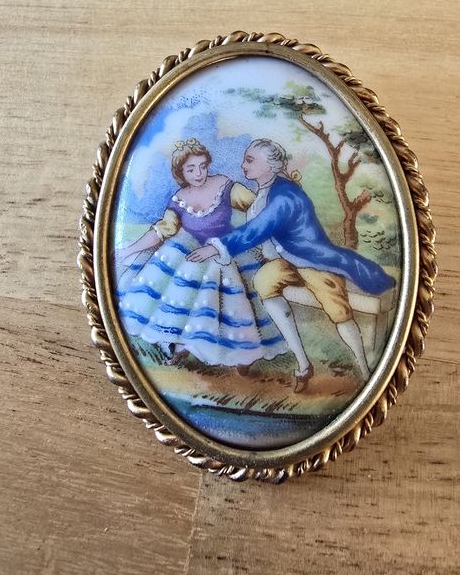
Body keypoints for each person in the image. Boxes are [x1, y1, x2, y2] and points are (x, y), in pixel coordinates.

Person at [187, 138, 396, 392]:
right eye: (244, 160)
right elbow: (246, 210)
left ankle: (365, 371)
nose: (243, 165)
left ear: (270, 166)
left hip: (313, 260)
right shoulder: (263, 191)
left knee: (338, 310)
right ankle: (303, 363)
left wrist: (216, 246)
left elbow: (258, 228)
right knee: (263, 282)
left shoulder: (285, 195)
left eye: (250, 160)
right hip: (285, 260)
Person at [115, 138, 287, 368]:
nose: (199, 173)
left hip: (225, 251)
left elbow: (258, 207)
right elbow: (161, 231)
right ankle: (181, 345)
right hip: (191, 252)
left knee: (226, 289)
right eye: (191, 169)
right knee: (185, 277)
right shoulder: (179, 199)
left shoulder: (224, 186)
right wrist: (129, 249)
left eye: (203, 166)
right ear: (180, 172)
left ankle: (238, 355)